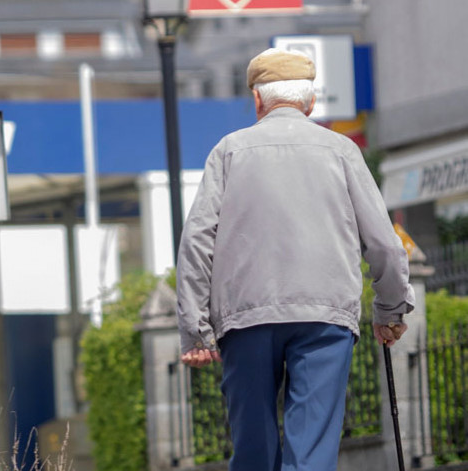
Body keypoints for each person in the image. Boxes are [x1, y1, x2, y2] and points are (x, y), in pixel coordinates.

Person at [175, 48, 416, 471]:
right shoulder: (341, 151)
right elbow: (383, 242)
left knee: (252, 445)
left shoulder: (229, 151)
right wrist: (390, 309)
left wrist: (196, 330)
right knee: (312, 450)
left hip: (245, 315)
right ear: (310, 103)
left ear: (257, 100)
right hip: (325, 315)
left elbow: (197, 240)